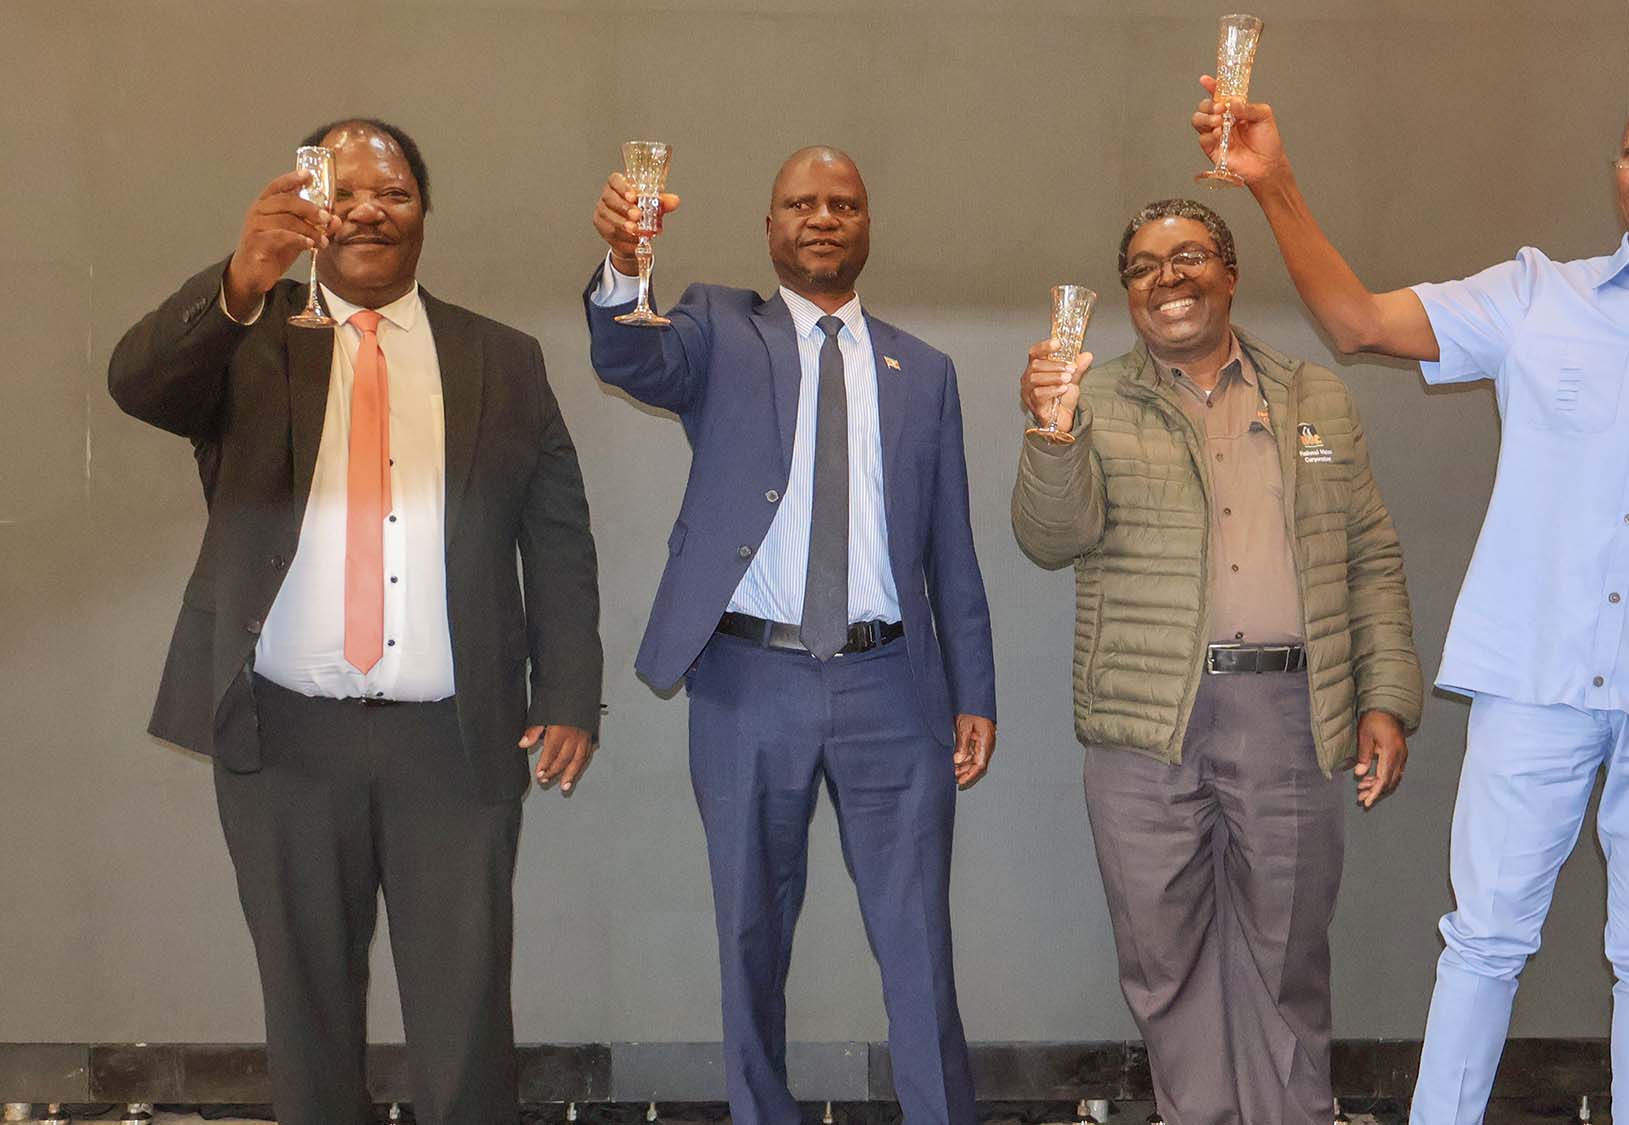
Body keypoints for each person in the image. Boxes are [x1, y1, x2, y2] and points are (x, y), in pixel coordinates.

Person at [1194, 79, 1629, 1124]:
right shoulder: (1530, 294)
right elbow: (1354, 321)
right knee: (1481, 940)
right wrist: (1274, 183)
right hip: (1530, 671)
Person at [107, 118, 603, 1125]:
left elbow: (556, 538)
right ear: (311, 208)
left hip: (453, 741)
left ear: (425, 215)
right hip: (285, 736)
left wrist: (565, 694)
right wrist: (239, 281)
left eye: (396, 193)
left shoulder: (500, 360)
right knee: (306, 1014)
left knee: (464, 1017)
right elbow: (137, 383)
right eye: (348, 190)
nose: (371, 208)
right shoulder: (248, 343)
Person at [582, 145, 997, 1125]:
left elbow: (951, 547)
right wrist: (624, 268)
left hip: (892, 685)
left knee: (917, 943)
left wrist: (971, 689)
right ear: (769, 228)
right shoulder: (718, 327)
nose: (821, 217)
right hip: (745, 679)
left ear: (865, 227)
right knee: (748, 938)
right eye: (799, 204)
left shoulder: (923, 370)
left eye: (842, 204)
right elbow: (628, 355)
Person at [1011, 196, 1424, 1124]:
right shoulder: (1093, 397)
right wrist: (1051, 428)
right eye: (1147, 266)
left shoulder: (1314, 395)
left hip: (1290, 712)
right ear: (1127, 293)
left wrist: (1387, 697)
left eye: (1190, 256)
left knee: (1286, 954)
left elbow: (1371, 556)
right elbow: (1049, 536)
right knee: (1164, 958)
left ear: (1231, 274)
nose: (1169, 279)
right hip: (1146, 722)